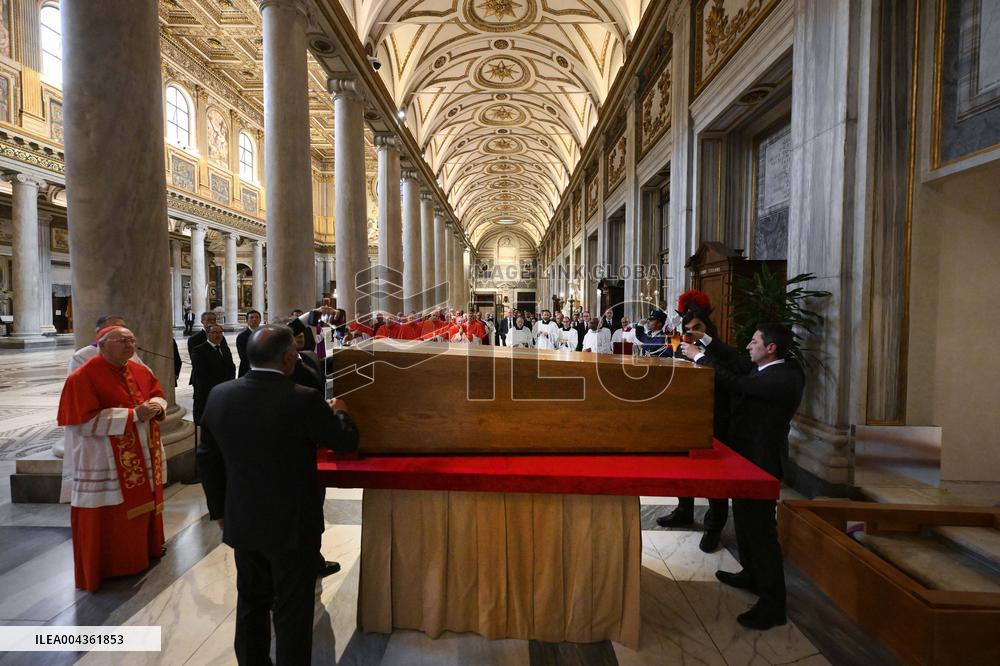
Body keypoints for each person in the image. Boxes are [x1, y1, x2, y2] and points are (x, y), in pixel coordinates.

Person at [197, 324, 359, 664]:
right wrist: (341, 410)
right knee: (292, 609)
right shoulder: (302, 398)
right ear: (288, 358)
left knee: (251, 602)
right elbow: (344, 442)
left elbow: (207, 460)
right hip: (293, 523)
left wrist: (220, 512)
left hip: (243, 520)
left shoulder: (220, 395)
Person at [680, 323, 804, 630]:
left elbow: (736, 383)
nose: (748, 346)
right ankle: (750, 574)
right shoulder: (763, 367)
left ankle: (774, 605)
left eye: (753, 341)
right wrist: (705, 340)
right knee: (746, 522)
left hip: (762, 461)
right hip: (745, 456)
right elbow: (733, 358)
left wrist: (699, 358)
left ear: (770, 348)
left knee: (762, 532)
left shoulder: (785, 377)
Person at [57, 326, 167, 591]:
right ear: (102, 345)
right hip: (103, 460)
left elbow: (158, 393)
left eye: (132, 340)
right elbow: (80, 424)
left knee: (144, 506)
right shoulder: (82, 377)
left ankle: (143, 553)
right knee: (109, 516)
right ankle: (111, 566)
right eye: (122, 341)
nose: (130, 346)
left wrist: (157, 406)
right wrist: (132, 416)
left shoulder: (139, 370)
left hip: (140, 454)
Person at [656, 292, 731, 552]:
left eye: (697, 328)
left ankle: (714, 525)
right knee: (682, 468)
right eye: (687, 328)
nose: (691, 333)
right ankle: (683, 510)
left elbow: (724, 379)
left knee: (714, 476)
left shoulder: (718, 348)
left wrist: (699, 353)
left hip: (713, 416)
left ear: (707, 327)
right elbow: (666, 361)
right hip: (683, 414)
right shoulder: (680, 341)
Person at [190, 324, 236, 425]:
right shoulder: (199, 350)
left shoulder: (224, 348)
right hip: (208, 391)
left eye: (220, 332)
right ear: (207, 334)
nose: (218, 335)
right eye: (214, 332)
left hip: (225, 390)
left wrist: (230, 383)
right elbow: (201, 373)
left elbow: (231, 366)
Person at [288, 318, 324, 394]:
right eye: (295, 333)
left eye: (302, 331)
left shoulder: (309, 356)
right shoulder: (278, 365)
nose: (301, 335)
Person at [235, 309, 262, 378]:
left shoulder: (264, 334)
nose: (254, 319)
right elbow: (243, 356)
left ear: (260, 320)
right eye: (251, 317)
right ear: (247, 321)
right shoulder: (242, 336)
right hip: (247, 369)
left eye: (256, 317)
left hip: (263, 369)